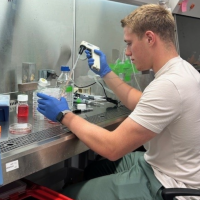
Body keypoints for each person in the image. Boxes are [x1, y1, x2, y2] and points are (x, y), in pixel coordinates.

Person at [37, 4, 200, 200]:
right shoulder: (183, 70)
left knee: (69, 195)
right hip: (160, 164)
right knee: (94, 169)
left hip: (168, 182)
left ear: (149, 38)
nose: (128, 52)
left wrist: (64, 115)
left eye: (130, 43)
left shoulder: (170, 84)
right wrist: (106, 72)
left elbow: (112, 147)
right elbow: (138, 101)